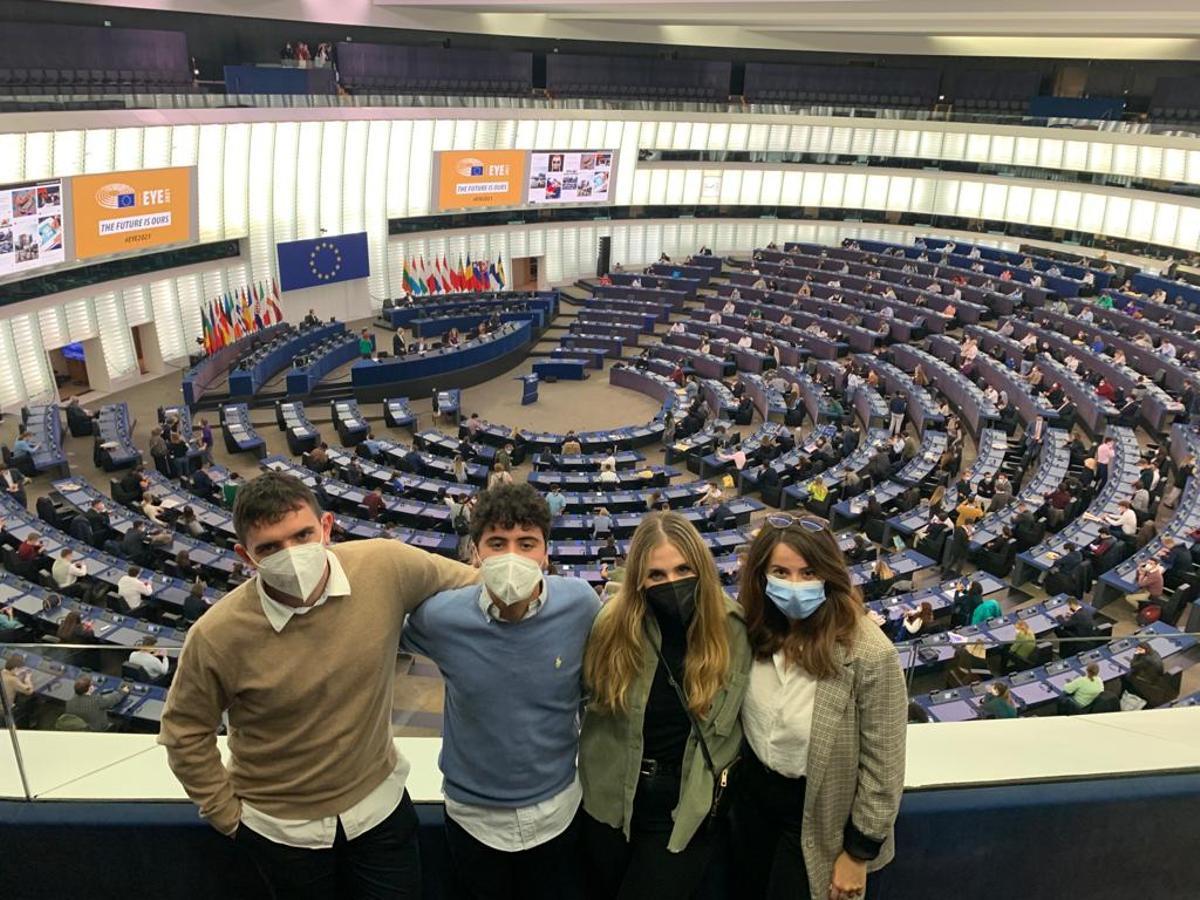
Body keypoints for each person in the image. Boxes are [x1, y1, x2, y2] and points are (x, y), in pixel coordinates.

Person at [159, 471, 480, 899]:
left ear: (326, 526)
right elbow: (184, 732)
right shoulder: (216, 635)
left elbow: (473, 586)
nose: (291, 554)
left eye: (302, 535)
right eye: (270, 547)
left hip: (378, 807)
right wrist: (227, 815)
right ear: (245, 554)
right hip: (283, 833)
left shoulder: (385, 565)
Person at [400, 484, 601, 900]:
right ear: (476, 553)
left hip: (557, 809)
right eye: (497, 543)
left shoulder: (581, 604)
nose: (512, 556)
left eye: (526, 543)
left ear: (546, 552)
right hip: (473, 818)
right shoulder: (439, 618)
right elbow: (374, 631)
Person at [731, 514, 906, 900]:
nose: (795, 585)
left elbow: (884, 768)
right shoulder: (750, 631)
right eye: (781, 571)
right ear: (761, 575)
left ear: (829, 575)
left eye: (808, 573)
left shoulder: (870, 654)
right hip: (752, 805)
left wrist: (858, 853)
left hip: (817, 819)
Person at [579, 512, 751, 900]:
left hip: (685, 809)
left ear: (701, 568)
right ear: (639, 578)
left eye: (683, 569)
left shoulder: (734, 629)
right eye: (657, 574)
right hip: (609, 804)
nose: (672, 583)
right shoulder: (610, 626)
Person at [64, 674, 131, 732]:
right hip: (98, 730)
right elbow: (112, 700)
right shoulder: (96, 700)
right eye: (92, 685)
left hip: (79, 730)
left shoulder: (70, 702)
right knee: (121, 720)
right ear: (89, 689)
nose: (93, 686)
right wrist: (123, 691)